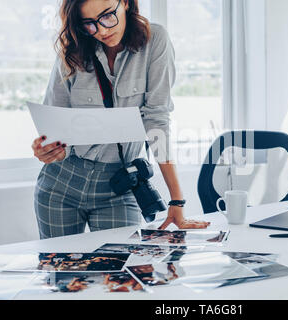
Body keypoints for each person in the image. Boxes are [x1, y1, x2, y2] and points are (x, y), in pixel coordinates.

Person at [32, 0, 210, 239]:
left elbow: (157, 121)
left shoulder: (155, 40)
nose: (102, 30)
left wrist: (177, 200)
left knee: (121, 270)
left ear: (125, 3)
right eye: (89, 24)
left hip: (119, 184)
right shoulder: (72, 50)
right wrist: (50, 150)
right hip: (62, 183)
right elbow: (57, 125)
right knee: (62, 274)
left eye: (107, 16)